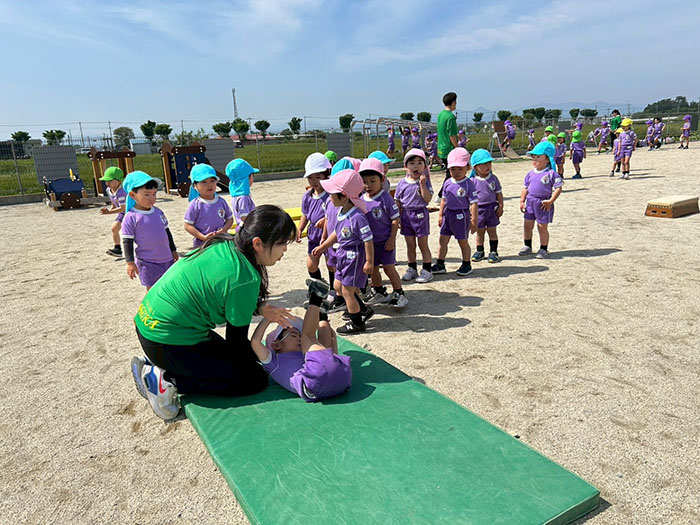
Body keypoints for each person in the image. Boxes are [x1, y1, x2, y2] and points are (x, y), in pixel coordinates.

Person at [130, 205, 297, 421]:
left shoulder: (224, 243)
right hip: (167, 341)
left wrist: (260, 308)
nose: (285, 250)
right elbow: (237, 345)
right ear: (258, 244)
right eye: (282, 243)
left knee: (235, 361)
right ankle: (168, 381)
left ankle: (157, 363)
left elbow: (222, 294)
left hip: (148, 326)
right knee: (254, 378)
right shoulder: (245, 278)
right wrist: (270, 360)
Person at [250, 279, 352, 402]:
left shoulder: (306, 356)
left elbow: (330, 350)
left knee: (320, 345)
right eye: (294, 335)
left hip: (340, 378)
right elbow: (255, 342)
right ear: (276, 345)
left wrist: (333, 350)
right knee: (309, 338)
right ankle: (316, 297)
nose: (299, 338)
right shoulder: (272, 361)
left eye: (298, 336)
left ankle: (322, 315)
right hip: (323, 382)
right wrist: (268, 317)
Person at [313, 169, 375, 334]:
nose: (329, 197)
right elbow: (336, 232)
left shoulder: (357, 217)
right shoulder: (342, 212)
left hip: (353, 257)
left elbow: (368, 240)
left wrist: (369, 261)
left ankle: (357, 323)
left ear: (344, 196)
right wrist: (323, 246)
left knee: (347, 291)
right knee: (338, 286)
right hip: (343, 255)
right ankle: (363, 310)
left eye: (332, 194)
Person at [359, 158, 406, 308]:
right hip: (370, 244)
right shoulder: (361, 199)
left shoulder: (385, 198)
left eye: (373, 181)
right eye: (364, 181)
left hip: (385, 242)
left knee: (388, 268)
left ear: (382, 180)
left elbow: (395, 219)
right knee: (373, 269)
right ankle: (379, 291)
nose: (368, 185)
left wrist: (392, 239)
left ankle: (399, 292)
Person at [120, 171, 178, 290]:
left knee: (169, 289)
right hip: (148, 262)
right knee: (152, 291)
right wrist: (130, 263)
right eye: (146, 194)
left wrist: (173, 250)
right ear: (132, 195)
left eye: (154, 194)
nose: (152, 198)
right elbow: (127, 241)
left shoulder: (158, 212)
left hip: (167, 259)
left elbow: (167, 232)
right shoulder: (131, 217)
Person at [431, 147, 478, 276]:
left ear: (467, 167)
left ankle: (466, 264)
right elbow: (444, 199)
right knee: (442, 240)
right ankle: (440, 264)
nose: (456, 172)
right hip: (448, 215)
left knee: (462, 241)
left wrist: (474, 220)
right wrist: (440, 215)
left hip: (461, 215)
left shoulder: (468, 184)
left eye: (459, 169)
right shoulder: (447, 182)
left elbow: (474, 203)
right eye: (453, 169)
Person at [518, 142, 563, 259]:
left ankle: (543, 248)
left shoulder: (551, 174)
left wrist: (551, 201)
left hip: (543, 204)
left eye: (538, 157)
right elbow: (525, 188)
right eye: (533, 156)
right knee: (527, 225)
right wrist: (522, 200)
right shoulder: (530, 174)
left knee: (542, 227)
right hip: (530, 203)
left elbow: (558, 188)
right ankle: (527, 245)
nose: (534, 159)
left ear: (547, 159)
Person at [395, 148, 434, 283]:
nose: (416, 166)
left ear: (424, 166)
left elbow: (427, 199)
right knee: (410, 244)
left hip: (420, 214)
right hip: (406, 215)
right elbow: (398, 201)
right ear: (405, 167)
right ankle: (412, 268)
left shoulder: (425, 181)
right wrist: (397, 217)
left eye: (419, 163)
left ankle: (427, 270)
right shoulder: (402, 183)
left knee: (423, 244)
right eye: (412, 163)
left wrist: (422, 185)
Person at [297, 153, 333, 284]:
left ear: (326, 175)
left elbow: (335, 213)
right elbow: (305, 214)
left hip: (329, 235)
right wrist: (300, 229)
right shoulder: (307, 196)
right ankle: (320, 284)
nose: (314, 181)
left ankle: (333, 289)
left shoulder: (331, 195)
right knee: (311, 265)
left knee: (331, 263)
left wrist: (325, 220)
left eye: (318, 177)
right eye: (310, 178)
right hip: (313, 235)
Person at [184, 164, 234, 248]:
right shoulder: (195, 204)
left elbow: (230, 219)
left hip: (221, 242)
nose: (209, 185)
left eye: (212, 181)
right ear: (195, 186)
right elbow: (187, 225)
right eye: (204, 182)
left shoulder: (221, 201)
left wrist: (224, 230)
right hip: (202, 244)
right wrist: (203, 237)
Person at [469, 149, 503, 264]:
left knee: (492, 231)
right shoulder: (472, 181)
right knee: (480, 231)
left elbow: (499, 193)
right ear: (475, 167)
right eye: (484, 164)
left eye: (489, 163)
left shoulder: (493, 179)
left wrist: (501, 206)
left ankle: (493, 251)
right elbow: (469, 199)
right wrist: (470, 211)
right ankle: (480, 250)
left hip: (492, 209)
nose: (488, 166)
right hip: (478, 210)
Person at [99, 166, 127, 257]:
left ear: (118, 181)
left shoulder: (122, 192)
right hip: (123, 213)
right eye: (106, 181)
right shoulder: (109, 190)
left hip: (130, 212)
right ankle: (117, 249)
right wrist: (111, 208)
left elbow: (123, 208)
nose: (107, 183)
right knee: (114, 229)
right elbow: (114, 203)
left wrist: (109, 212)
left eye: (110, 181)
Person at [437, 92, 459, 198]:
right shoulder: (450, 117)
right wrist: (457, 147)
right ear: (453, 102)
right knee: (451, 173)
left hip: (441, 148)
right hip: (449, 148)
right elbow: (452, 135)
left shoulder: (441, 114)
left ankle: (445, 194)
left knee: (450, 172)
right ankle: (441, 195)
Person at [228, 159, 258, 232]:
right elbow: (244, 217)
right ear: (246, 179)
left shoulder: (236, 196)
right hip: (247, 230)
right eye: (252, 175)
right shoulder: (243, 197)